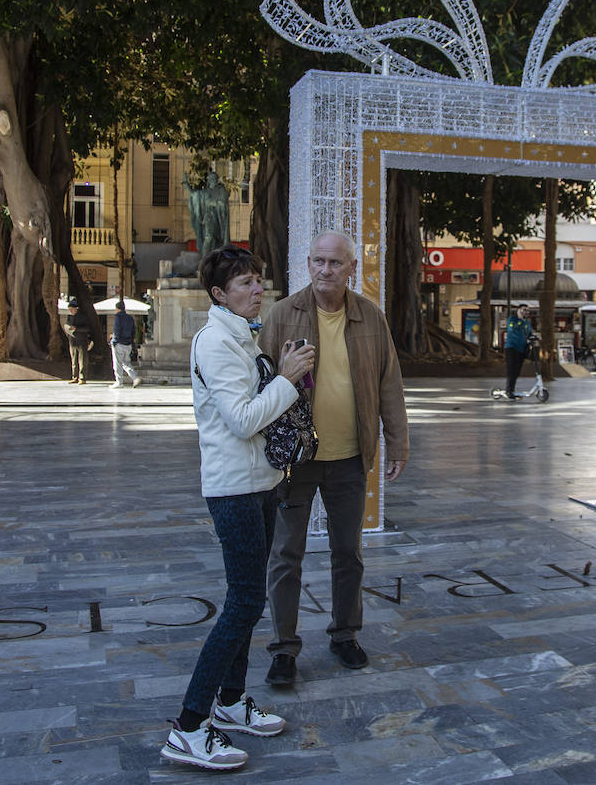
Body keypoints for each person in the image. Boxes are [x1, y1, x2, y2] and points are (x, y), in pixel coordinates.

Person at [162, 245, 315, 771]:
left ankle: (229, 703)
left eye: (259, 281)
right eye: (247, 283)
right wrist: (288, 377)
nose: (258, 291)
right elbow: (244, 419)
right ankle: (187, 725)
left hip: (261, 482)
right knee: (245, 603)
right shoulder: (216, 343)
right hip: (232, 488)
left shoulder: (242, 338)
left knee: (247, 600)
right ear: (219, 294)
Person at [260, 231, 409, 686]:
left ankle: (345, 633)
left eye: (336, 263)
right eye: (319, 262)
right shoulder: (283, 315)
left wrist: (397, 441)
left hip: (349, 457)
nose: (326, 270)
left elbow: (389, 382)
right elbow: (259, 382)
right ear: (307, 264)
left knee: (349, 552)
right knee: (286, 554)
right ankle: (284, 648)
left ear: (351, 269)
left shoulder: (370, 317)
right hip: (296, 460)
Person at [503, 303, 535, 398]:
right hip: (512, 347)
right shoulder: (512, 319)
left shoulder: (527, 323)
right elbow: (512, 328)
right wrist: (520, 319)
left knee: (517, 371)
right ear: (518, 310)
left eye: (527, 310)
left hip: (522, 349)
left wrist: (534, 337)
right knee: (511, 370)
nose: (526, 312)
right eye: (524, 310)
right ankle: (509, 391)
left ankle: (512, 390)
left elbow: (529, 333)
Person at [109, 300, 140, 388]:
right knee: (126, 363)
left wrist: (114, 341)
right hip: (128, 344)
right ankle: (135, 377)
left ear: (117, 309)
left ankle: (119, 382)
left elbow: (117, 330)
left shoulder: (118, 317)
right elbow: (133, 331)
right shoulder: (130, 318)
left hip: (119, 343)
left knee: (117, 363)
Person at [63, 299, 91, 384]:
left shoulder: (83, 316)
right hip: (72, 341)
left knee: (82, 360)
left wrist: (76, 329)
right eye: (69, 309)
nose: (70, 311)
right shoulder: (70, 317)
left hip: (82, 341)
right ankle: (74, 377)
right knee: (74, 360)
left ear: (76, 308)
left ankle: (82, 378)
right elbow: (68, 325)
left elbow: (87, 328)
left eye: (72, 309)